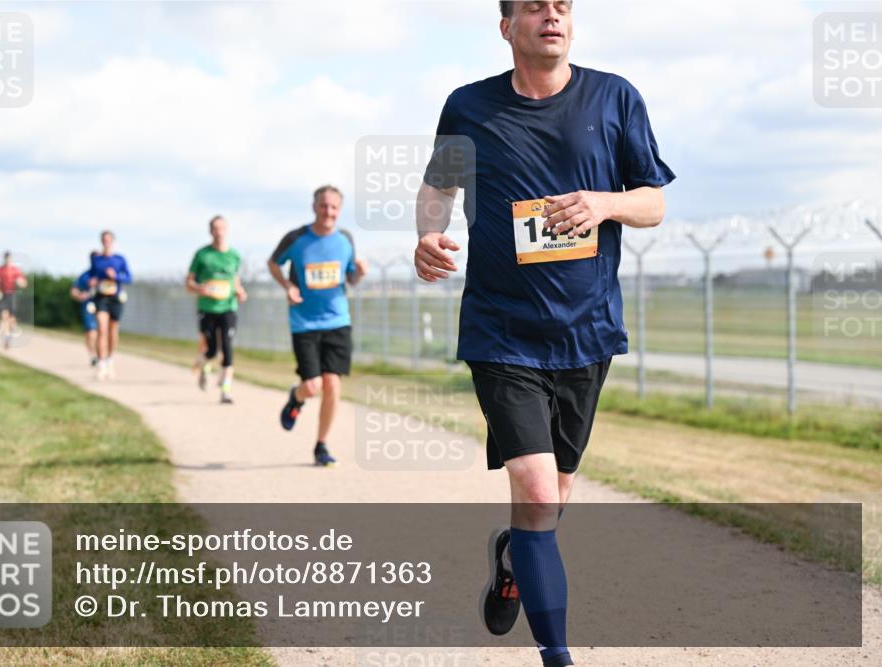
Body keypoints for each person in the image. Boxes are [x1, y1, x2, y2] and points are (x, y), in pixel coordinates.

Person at [414, 2, 675, 665]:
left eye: (562, 5)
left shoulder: (615, 97)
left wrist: (605, 202)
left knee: (550, 504)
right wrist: (426, 233)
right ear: (507, 27)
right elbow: (437, 187)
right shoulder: (469, 106)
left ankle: (512, 558)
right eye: (534, 7)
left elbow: (654, 200)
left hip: (585, 331)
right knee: (534, 492)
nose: (551, 16)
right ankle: (558, 655)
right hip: (501, 330)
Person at [268, 185, 368, 467]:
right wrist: (287, 285)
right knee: (311, 386)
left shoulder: (346, 239)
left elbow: (350, 279)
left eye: (334, 207)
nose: (329, 212)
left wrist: (359, 272)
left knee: (332, 384)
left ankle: (321, 445)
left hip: (338, 320)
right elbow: (273, 263)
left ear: (340, 210)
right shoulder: (297, 238)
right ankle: (296, 397)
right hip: (304, 322)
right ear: (315, 207)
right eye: (324, 206)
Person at [186, 215, 247, 404]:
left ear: (226, 230)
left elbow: (234, 280)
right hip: (207, 308)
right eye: (215, 229)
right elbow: (189, 282)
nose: (219, 232)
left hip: (228, 307)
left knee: (227, 348)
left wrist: (240, 291)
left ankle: (225, 391)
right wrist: (198, 288)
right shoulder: (202, 255)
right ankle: (203, 365)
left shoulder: (235, 255)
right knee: (211, 350)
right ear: (210, 231)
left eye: (222, 228)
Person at [88, 231, 131, 380]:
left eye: (108, 240)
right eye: (104, 240)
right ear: (101, 242)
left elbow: (129, 277)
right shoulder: (97, 260)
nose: (106, 242)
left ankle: (110, 360)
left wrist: (116, 276)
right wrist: (91, 280)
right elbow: (91, 274)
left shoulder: (120, 259)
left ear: (113, 241)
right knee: (102, 329)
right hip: (101, 298)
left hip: (115, 297)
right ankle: (101, 363)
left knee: (113, 331)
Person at [70, 255, 99, 366]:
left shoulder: (105, 274)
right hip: (89, 306)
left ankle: (102, 355)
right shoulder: (86, 275)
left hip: (104, 305)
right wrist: (80, 296)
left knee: (101, 331)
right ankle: (93, 355)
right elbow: (73, 291)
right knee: (91, 331)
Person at [0, 252, 27, 349]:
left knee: (12, 320)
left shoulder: (15, 270)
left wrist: (20, 283)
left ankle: (9, 336)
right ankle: (6, 339)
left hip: (12, 295)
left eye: (9, 258)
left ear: (11, 259)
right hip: (3, 295)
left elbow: (24, 283)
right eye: (6, 258)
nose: (7, 260)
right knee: (4, 317)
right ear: (4, 258)